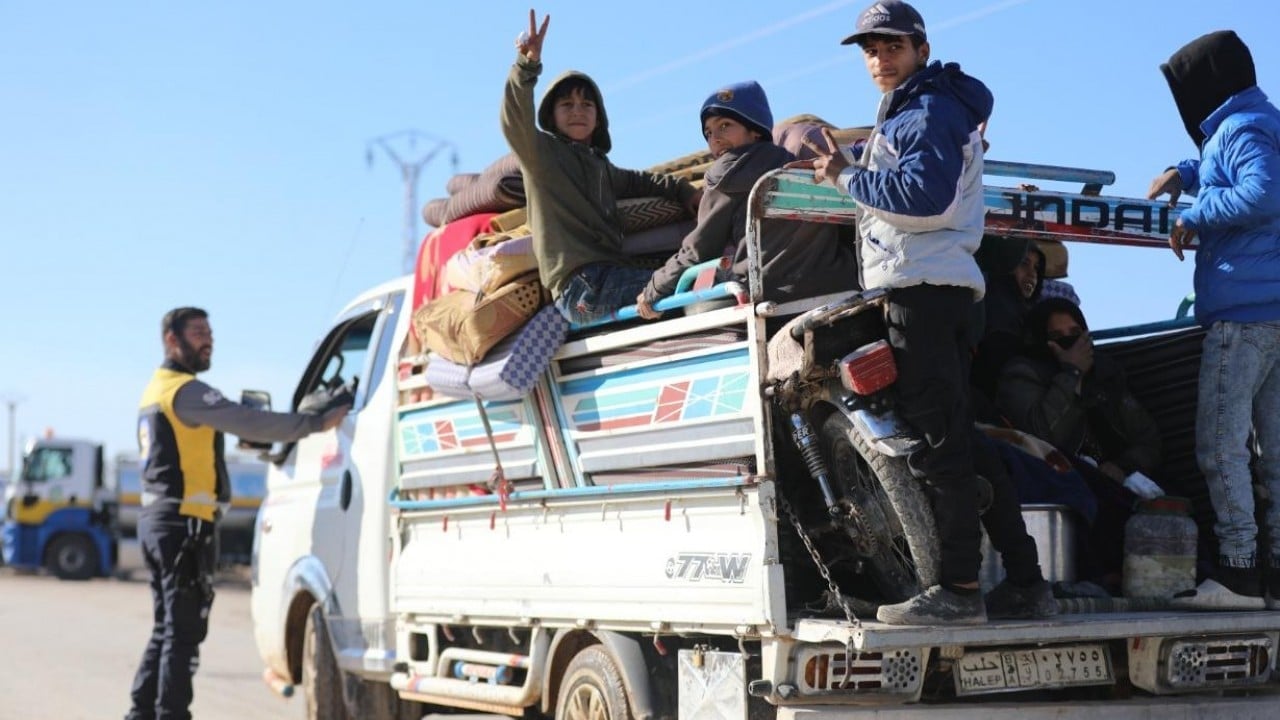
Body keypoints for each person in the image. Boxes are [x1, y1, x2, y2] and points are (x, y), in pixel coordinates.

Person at [799, 0, 1053, 625]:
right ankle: (1025, 581)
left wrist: (846, 177)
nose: (879, 59)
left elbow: (925, 199)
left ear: (921, 50)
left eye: (892, 47)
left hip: (924, 291)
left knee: (940, 449)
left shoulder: (929, 110)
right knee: (961, 440)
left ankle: (960, 592)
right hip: (938, 289)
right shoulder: (920, 109)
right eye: (870, 50)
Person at [126, 307, 350, 720]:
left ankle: (141, 713)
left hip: (159, 521)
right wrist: (315, 423)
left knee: (167, 630)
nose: (207, 339)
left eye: (210, 332)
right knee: (183, 633)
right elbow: (247, 421)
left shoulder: (154, 390)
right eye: (197, 333)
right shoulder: (186, 391)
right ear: (172, 341)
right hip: (183, 524)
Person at [1146, 30, 1280, 611]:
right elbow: (1230, 167)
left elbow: (1262, 190)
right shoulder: (1259, 119)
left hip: (1243, 318)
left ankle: (1238, 573)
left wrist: (1194, 214)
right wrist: (1187, 171)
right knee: (1274, 454)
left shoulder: (1241, 129)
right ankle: (1272, 574)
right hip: (1272, 315)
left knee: (1219, 447)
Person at [501, 10, 699, 326]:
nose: (577, 111)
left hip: (608, 276)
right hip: (580, 288)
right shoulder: (543, 156)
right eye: (567, 105)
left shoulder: (601, 169)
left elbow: (642, 182)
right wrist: (526, 66)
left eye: (586, 104)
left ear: (598, 116)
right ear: (552, 117)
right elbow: (515, 121)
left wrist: (685, 190)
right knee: (690, 284)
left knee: (681, 278)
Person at [634, 81, 858, 320]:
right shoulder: (799, 167)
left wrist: (655, 287)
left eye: (725, 126)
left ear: (755, 130)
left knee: (692, 303)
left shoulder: (727, 173)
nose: (715, 139)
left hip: (775, 296)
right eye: (708, 132)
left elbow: (698, 251)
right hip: (839, 286)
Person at [997, 298, 1165, 590]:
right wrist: (1070, 374)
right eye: (1057, 336)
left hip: (1118, 483)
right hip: (1060, 480)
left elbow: (1148, 440)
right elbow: (1042, 438)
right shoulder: (1022, 374)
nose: (1070, 341)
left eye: (1075, 331)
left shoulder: (1105, 374)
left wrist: (1122, 466)